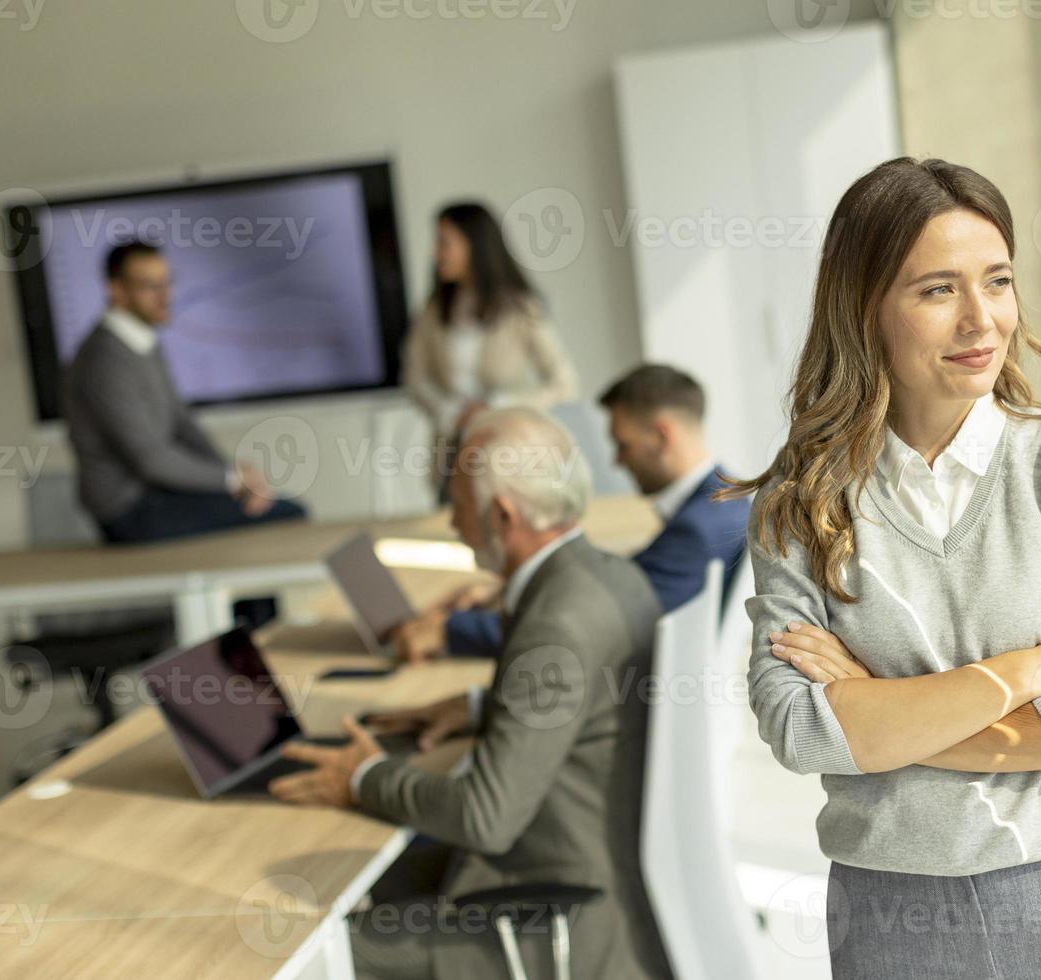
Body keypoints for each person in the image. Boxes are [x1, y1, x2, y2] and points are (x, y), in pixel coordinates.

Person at [725, 158, 1041, 977]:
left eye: (999, 281)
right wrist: (1032, 668)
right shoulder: (798, 508)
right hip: (890, 916)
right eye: (938, 290)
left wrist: (877, 719)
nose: (982, 320)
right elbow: (801, 733)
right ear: (865, 309)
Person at [267, 407, 671, 980]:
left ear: (502, 515)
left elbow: (485, 818)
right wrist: (478, 707)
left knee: (310, 951)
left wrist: (363, 777)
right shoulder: (609, 575)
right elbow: (596, 702)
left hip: (552, 914)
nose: (454, 524)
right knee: (359, 877)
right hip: (593, 872)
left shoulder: (555, 620)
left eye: (457, 505)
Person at [391, 364, 751, 664]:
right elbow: (632, 579)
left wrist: (451, 631)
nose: (616, 460)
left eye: (622, 444)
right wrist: (518, 585)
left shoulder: (697, 530)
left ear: (660, 436)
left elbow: (588, 626)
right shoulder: (720, 504)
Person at [64, 240, 306, 543]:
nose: (165, 296)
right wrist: (232, 480)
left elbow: (181, 423)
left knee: (265, 509)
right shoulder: (105, 359)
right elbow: (150, 460)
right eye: (150, 286)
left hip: (160, 494)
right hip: (130, 509)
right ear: (117, 290)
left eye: (167, 283)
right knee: (288, 515)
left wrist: (233, 476)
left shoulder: (142, 341)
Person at [400, 202, 579, 500]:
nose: (435, 253)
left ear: (475, 245)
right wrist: (450, 411)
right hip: (453, 450)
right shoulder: (433, 311)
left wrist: (497, 405)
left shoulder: (520, 308)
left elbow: (564, 383)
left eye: (444, 242)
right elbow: (414, 376)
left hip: (510, 451)